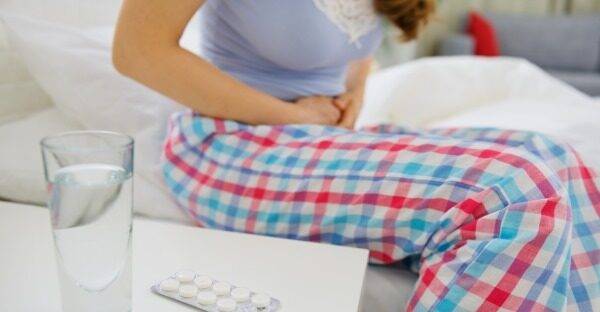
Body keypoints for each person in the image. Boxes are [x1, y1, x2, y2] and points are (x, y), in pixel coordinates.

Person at [113, 1, 600, 310]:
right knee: (514, 189)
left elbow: (359, 51)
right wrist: (292, 118)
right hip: (230, 144)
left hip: (314, 138)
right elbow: (137, 51)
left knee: (557, 159)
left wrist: (352, 99)